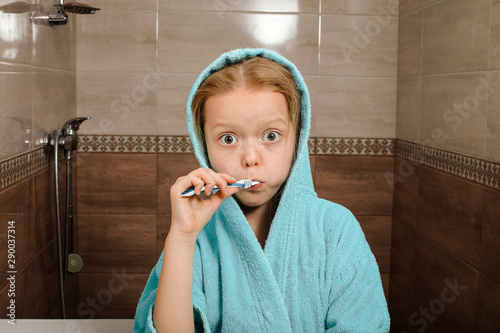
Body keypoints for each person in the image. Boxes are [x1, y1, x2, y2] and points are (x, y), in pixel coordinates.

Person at [134, 48, 390, 332]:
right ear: (203, 145)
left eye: (271, 136)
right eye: (228, 138)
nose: (251, 157)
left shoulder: (337, 229)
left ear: (298, 137)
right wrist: (182, 237)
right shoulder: (197, 237)